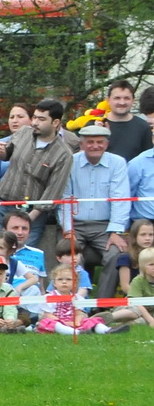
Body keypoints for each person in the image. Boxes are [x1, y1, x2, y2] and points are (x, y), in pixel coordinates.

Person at [0, 99, 76, 265]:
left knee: (22, 262)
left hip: (33, 213)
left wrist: (28, 219)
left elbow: (53, 192)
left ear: (56, 123)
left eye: (41, 119)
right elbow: (6, 154)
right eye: (34, 117)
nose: (34, 122)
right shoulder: (23, 132)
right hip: (4, 205)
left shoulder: (64, 154)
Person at [62, 122, 130, 285]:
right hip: (75, 224)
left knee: (116, 254)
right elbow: (64, 198)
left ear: (106, 144)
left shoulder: (118, 163)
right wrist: (68, 230)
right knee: (69, 254)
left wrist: (115, 231)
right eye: (90, 142)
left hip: (104, 226)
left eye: (100, 142)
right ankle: (77, 297)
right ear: (81, 144)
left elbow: (120, 198)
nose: (95, 146)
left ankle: (103, 300)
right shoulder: (70, 162)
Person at [34, 264, 113, 334]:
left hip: (73, 322)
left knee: (91, 321)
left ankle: (106, 330)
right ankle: (76, 332)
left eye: (68, 279)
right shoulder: (50, 297)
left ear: (75, 283)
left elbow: (78, 314)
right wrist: (63, 322)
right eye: (60, 279)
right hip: (57, 321)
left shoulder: (76, 298)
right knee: (48, 322)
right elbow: (48, 315)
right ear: (54, 283)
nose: (64, 282)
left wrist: (76, 322)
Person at [103, 79, 151, 163]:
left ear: (133, 101)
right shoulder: (96, 124)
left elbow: (148, 159)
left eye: (126, 98)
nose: (122, 102)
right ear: (108, 100)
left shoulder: (143, 127)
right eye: (117, 98)